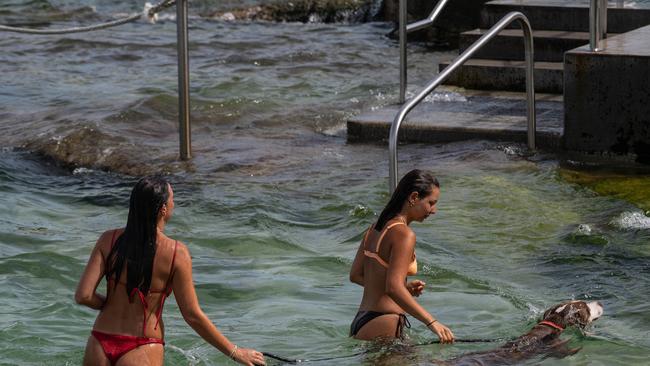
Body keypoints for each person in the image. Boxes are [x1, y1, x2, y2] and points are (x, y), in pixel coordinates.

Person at [75, 176, 266, 366]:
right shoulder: (177, 253)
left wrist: (110, 305)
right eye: (172, 199)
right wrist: (235, 352)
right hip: (141, 347)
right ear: (163, 209)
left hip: (99, 343)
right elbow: (192, 315)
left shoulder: (108, 240)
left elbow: (83, 296)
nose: (174, 204)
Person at [349, 169, 455, 343]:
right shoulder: (404, 234)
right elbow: (393, 287)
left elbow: (356, 275)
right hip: (385, 322)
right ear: (413, 197)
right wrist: (433, 322)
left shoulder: (375, 228)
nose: (434, 210)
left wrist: (404, 290)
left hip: (363, 320)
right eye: (431, 203)